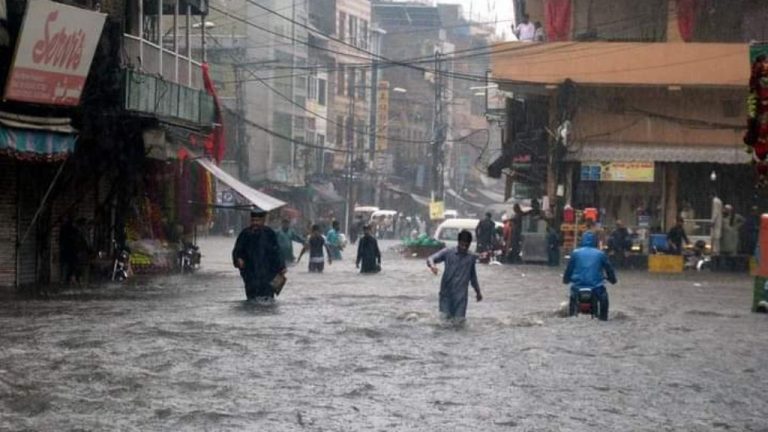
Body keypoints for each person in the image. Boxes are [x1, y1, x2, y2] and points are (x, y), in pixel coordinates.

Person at [426, 230, 483, 321]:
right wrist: (433, 266)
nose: (464, 248)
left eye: (466, 246)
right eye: (462, 245)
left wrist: (478, 292)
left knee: (459, 323)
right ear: (458, 242)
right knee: (444, 321)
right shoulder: (448, 252)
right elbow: (431, 258)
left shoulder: (470, 257)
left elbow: (473, 277)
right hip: (446, 294)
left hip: (461, 298)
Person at [232, 210, 287, 301]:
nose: (255, 223)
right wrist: (238, 259)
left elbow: (277, 251)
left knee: (268, 301)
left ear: (263, 220)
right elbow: (237, 250)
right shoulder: (245, 234)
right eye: (253, 220)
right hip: (250, 274)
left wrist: (282, 266)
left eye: (257, 220)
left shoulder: (270, 234)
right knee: (252, 300)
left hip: (268, 274)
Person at [562, 231, 617, 321]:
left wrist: (566, 280)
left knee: (572, 298)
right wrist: (613, 280)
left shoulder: (575, 253)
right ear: (595, 241)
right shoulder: (600, 254)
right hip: (596, 287)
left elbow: (569, 270)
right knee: (604, 299)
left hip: (577, 286)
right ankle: (604, 318)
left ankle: (571, 315)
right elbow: (609, 269)